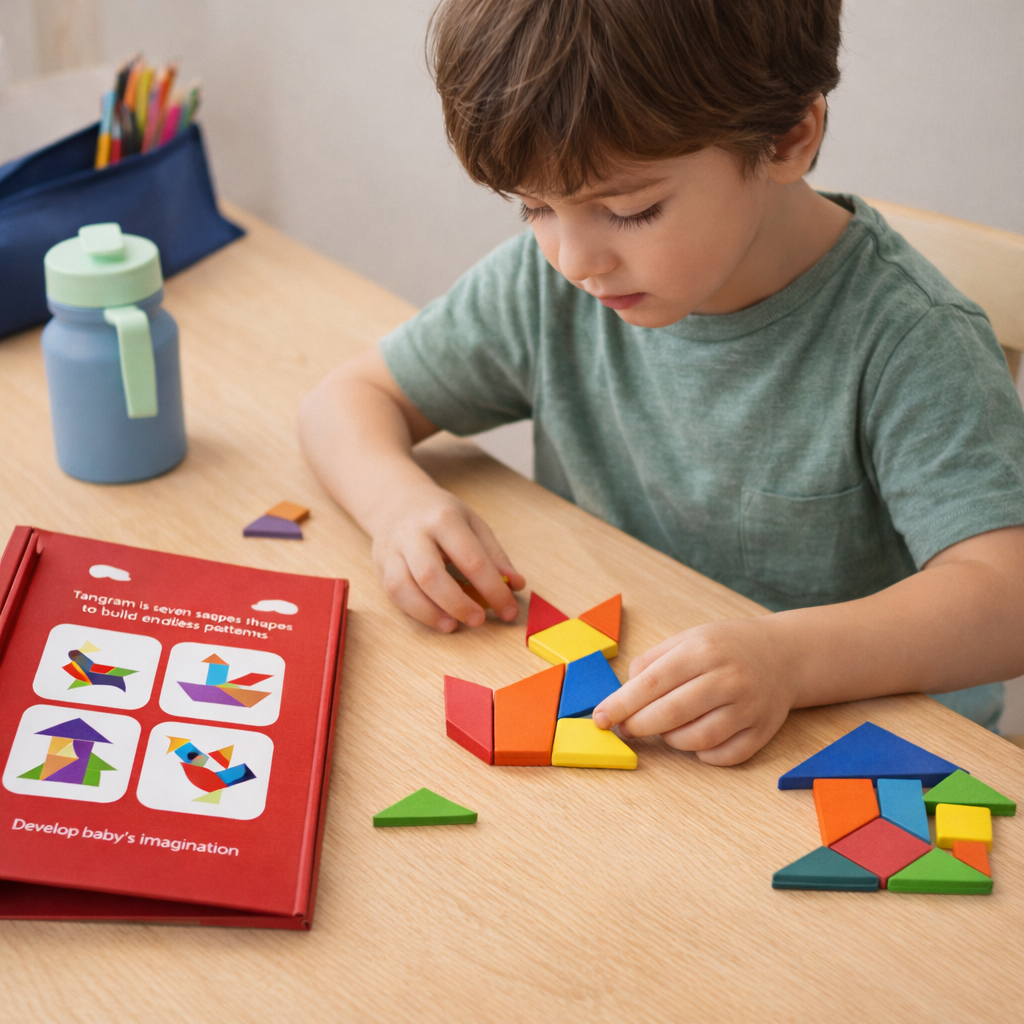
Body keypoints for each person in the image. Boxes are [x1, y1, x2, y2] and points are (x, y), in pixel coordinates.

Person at [300, 0, 1024, 765]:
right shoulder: (545, 286)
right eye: (534, 208)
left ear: (787, 137)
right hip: (642, 730)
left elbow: (1006, 597)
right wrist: (397, 506)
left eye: (631, 210)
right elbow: (346, 399)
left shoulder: (910, 337)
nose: (575, 260)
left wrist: (789, 659)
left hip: (870, 757)